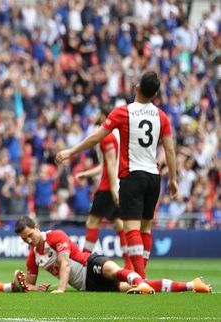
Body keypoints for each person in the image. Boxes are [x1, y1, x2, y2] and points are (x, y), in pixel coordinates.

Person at [56, 71, 179, 278]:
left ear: (137, 88)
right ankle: (141, 275)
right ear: (156, 93)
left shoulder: (123, 112)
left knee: (130, 227)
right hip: (153, 176)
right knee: (146, 228)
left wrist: (71, 152)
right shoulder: (162, 117)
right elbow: (170, 151)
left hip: (132, 175)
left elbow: (97, 136)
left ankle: (139, 278)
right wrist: (173, 179)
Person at [14, 216, 212, 294]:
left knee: (112, 269)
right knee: (130, 286)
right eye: (25, 239)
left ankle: (140, 280)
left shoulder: (56, 236)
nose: (29, 241)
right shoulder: (33, 256)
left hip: (88, 264)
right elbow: (29, 283)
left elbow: (65, 264)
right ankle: (192, 285)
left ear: (37, 227)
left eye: (30, 235)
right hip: (88, 286)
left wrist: (61, 288)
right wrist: (32, 289)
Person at [74, 112, 132, 269]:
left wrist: (113, 188)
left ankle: (83, 260)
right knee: (119, 224)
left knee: (92, 222)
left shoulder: (106, 138)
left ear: (103, 118)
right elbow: (105, 165)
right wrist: (87, 174)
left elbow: (111, 164)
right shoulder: (114, 137)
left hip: (107, 186)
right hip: (115, 183)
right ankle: (129, 264)